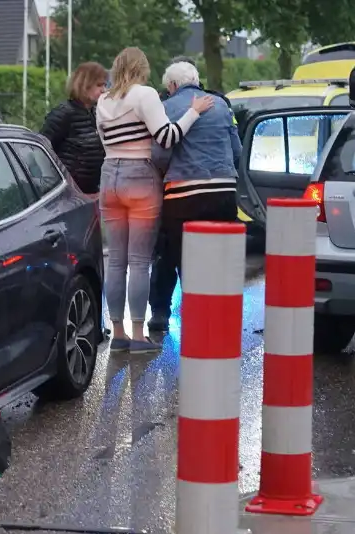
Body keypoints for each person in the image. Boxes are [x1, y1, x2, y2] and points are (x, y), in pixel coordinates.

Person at [96, 47, 214, 353]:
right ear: (142, 69)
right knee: (138, 262)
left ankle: (117, 333)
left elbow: (105, 143)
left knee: (116, 261)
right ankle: (138, 335)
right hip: (140, 178)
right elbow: (168, 137)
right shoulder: (145, 95)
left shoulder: (102, 100)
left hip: (109, 178)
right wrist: (194, 111)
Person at [149, 60, 241, 329]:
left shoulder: (166, 108)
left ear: (173, 86)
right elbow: (237, 150)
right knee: (219, 254)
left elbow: (159, 154)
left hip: (184, 194)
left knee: (171, 251)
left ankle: (161, 313)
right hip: (224, 191)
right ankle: (219, 312)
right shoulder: (223, 105)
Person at [40, 62, 108, 195]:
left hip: (91, 191)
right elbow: (41, 149)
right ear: (84, 84)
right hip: (66, 193)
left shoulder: (96, 113)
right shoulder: (64, 113)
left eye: (105, 85)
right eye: (99, 85)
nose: (104, 90)